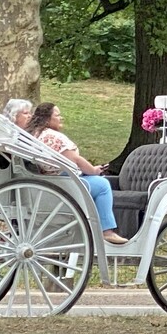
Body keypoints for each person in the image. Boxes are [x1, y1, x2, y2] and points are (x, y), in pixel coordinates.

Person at [27, 102, 128, 245]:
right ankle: (107, 231)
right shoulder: (53, 137)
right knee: (103, 185)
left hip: (48, 180)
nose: (61, 118)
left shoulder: (35, 135)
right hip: (64, 182)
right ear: (47, 119)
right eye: (57, 115)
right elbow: (75, 159)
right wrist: (94, 170)